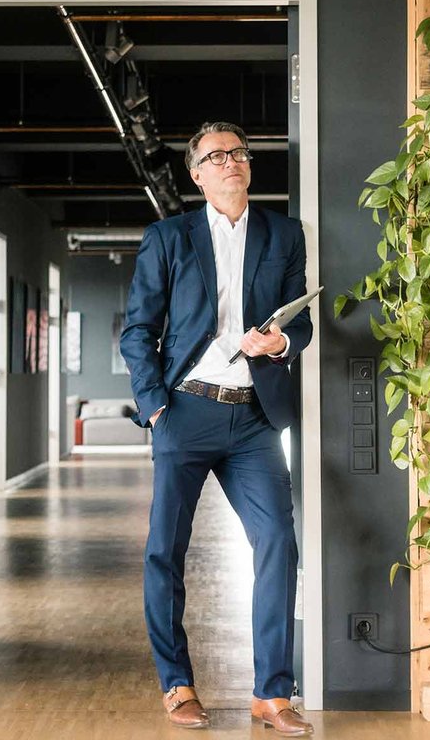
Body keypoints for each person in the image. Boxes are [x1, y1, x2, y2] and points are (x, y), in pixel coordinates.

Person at [120, 121, 314, 735]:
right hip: (185, 411)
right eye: (216, 156)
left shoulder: (284, 235)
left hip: (255, 417)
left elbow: (300, 323)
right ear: (197, 173)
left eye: (238, 154)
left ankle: (272, 694)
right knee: (165, 552)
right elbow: (137, 331)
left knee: (279, 544)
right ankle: (177, 686)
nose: (230, 162)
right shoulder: (168, 237)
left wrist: (281, 339)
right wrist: (155, 407)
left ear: (249, 167)